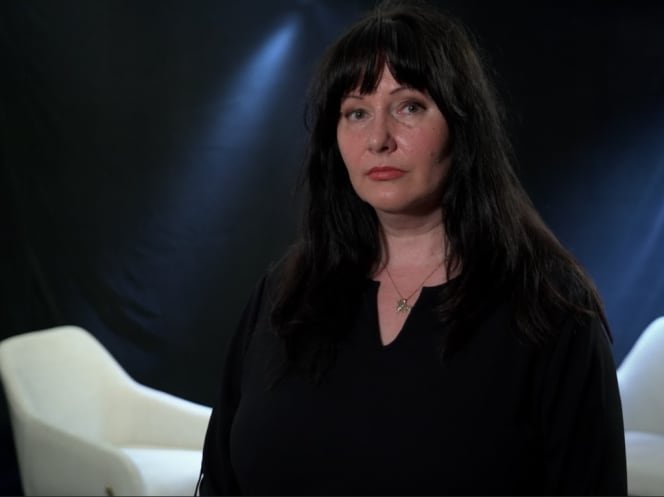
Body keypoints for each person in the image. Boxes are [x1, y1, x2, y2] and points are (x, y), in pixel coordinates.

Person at [197, 0, 627, 494]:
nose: (378, 138)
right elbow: (221, 478)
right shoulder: (282, 294)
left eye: (409, 106)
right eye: (356, 112)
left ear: (462, 125)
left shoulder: (549, 308)